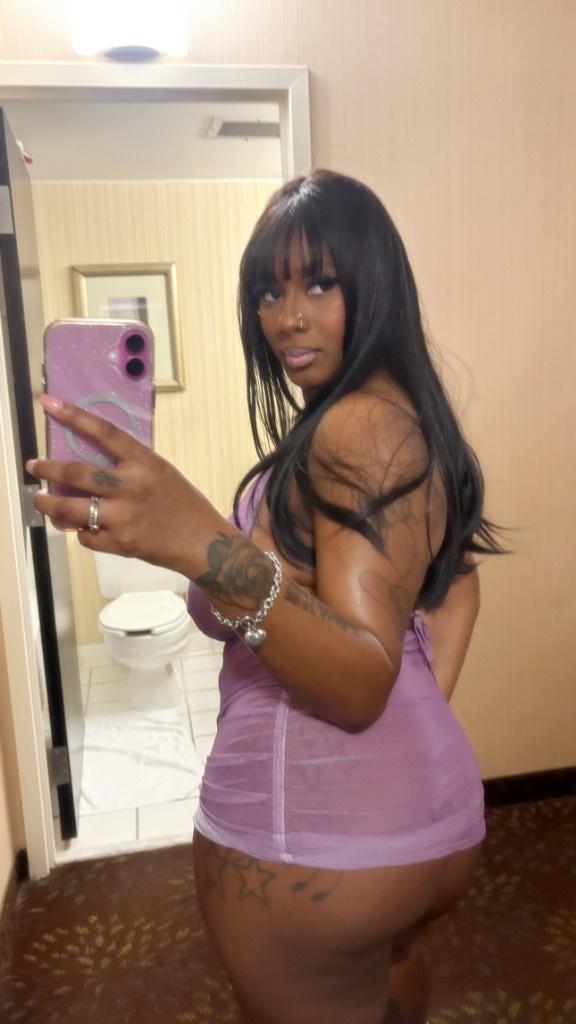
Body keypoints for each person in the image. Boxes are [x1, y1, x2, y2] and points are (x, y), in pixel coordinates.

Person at [28, 170, 505, 1024]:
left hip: (316, 843)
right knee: (394, 979)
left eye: (319, 284)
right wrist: (417, 735)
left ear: (374, 285)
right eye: (269, 291)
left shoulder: (358, 427)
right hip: (426, 819)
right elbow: (459, 588)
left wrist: (198, 540)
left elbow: (358, 683)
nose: (287, 316)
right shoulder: (402, 418)